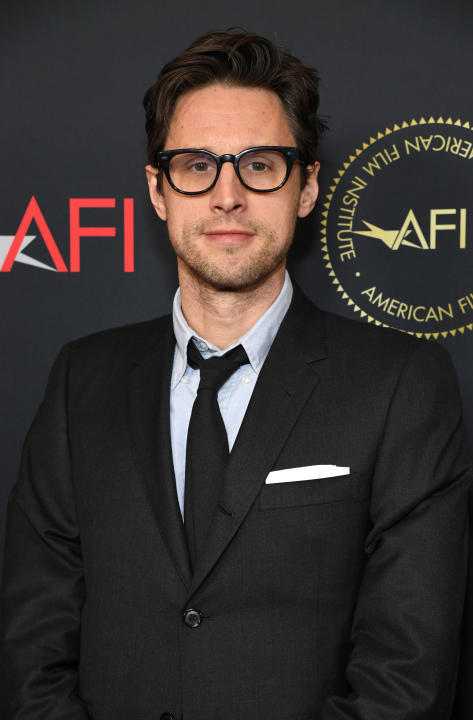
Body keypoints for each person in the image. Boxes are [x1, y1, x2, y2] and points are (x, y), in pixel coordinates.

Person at [0, 29, 471, 720]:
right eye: (196, 165)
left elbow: (405, 677)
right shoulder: (82, 380)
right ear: (158, 190)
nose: (227, 195)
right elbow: (31, 648)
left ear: (306, 187)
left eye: (259, 164)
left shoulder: (400, 385)